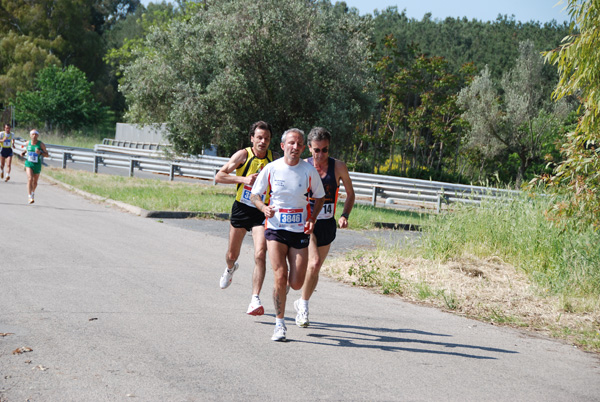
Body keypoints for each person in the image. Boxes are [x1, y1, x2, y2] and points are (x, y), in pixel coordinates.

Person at [250, 128, 325, 342]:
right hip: (275, 228)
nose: (295, 147)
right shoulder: (272, 169)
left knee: (296, 283)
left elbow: (319, 197)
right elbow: (255, 194)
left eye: (299, 144)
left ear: (303, 148)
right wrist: (263, 208)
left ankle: (288, 298)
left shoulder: (308, 171)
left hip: (299, 230)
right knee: (280, 275)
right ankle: (280, 324)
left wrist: (312, 219)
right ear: (283, 146)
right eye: (291, 143)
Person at [293, 127, 355, 328]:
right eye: (316, 150)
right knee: (314, 263)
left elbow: (351, 193)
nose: (320, 155)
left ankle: (302, 301)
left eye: (325, 150)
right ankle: (303, 306)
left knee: (315, 267)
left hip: (327, 222)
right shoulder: (301, 166)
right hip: (307, 221)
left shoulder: (338, 167)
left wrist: (345, 215)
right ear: (309, 148)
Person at [215, 121, 277, 316]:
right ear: (252, 138)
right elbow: (219, 176)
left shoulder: (274, 159)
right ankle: (230, 268)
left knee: (260, 253)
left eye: (266, 138)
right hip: (242, 208)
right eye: (259, 137)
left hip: (261, 211)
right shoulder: (243, 155)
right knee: (232, 255)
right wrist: (243, 179)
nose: (263, 141)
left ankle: (254, 299)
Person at [21, 129, 48, 204]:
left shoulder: (41, 144)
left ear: (38, 136)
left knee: (35, 182)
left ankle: (32, 192)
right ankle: (29, 196)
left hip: (37, 164)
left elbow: (47, 155)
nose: (34, 136)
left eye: (36, 134)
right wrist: (23, 153)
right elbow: (27, 149)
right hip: (29, 163)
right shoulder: (27, 143)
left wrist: (40, 152)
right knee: (30, 178)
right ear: (30, 135)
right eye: (33, 134)